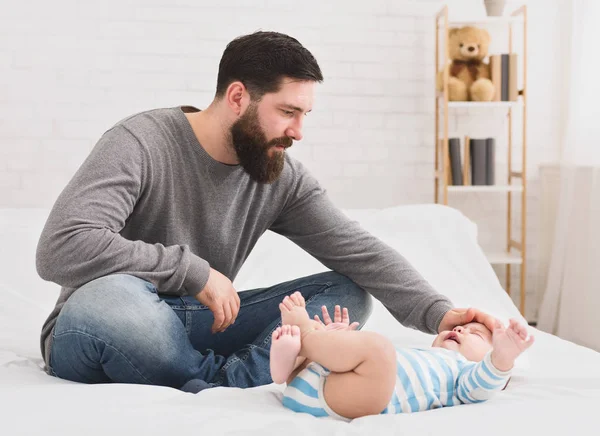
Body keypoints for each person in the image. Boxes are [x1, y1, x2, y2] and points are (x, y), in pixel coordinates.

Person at [36, 30, 498, 393]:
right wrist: (194, 273)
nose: (298, 132)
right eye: (287, 112)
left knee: (348, 296)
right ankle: (225, 378)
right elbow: (61, 246)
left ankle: (227, 380)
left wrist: (439, 314)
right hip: (105, 323)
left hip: (200, 325)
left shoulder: (279, 174)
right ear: (238, 97)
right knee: (111, 299)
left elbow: (358, 251)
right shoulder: (141, 142)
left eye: (305, 115)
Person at [271, 292, 534, 420]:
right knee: (375, 349)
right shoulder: (422, 354)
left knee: (380, 349)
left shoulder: (463, 376)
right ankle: (289, 363)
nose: (460, 328)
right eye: (459, 327)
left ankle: (305, 335)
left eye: (475, 334)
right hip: (312, 387)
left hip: (348, 399)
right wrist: (341, 338)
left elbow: (484, 383)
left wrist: (503, 357)